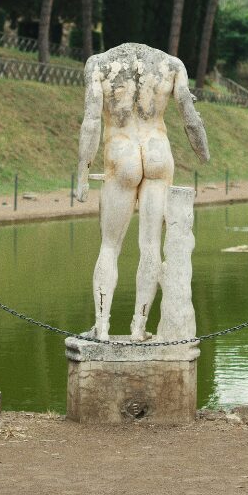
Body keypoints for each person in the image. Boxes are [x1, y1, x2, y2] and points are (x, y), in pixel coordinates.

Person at [75, 43, 210, 341]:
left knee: (110, 246)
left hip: (121, 152)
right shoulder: (171, 65)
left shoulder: (99, 64)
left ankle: (103, 326)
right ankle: (139, 327)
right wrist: (203, 152)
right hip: (157, 152)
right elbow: (189, 114)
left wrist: (82, 173)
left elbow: (92, 121)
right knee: (150, 245)